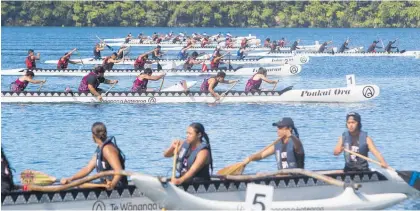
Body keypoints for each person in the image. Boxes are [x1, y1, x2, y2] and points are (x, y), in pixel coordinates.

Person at [60, 122, 128, 190]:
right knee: (79, 183)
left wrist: (111, 185)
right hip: (105, 184)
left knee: (80, 184)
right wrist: (71, 178)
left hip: (117, 186)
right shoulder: (100, 148)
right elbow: (88, 168)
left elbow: (119, 171)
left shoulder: (108, 150)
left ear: (93, 136)